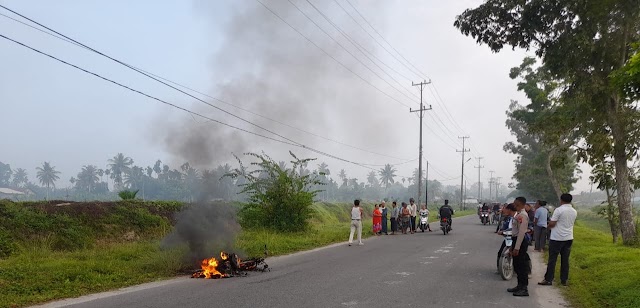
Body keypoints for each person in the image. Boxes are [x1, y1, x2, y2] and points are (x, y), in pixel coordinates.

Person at [539, 193, 577, 287]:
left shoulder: (559, 210)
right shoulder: (574, 211)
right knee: (565, 260)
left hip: (557, 238)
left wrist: (547, 227)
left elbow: (552, 223)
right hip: (569, 237)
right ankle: (564, 280)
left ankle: (548, 279)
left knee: (552, 259)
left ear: (561, 200)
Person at [508, 197, 531, 297]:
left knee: (521, 265)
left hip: (520, 241)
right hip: (515, 240)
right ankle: (519, 285)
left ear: (522, 204)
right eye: (514, 204)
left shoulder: (522, 215)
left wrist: (517, 247)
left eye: (517, 204)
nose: (515, 206)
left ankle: (524, 288)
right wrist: (512, 246)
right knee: (517, 264)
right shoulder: (518, 214)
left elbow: (521, 232)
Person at [496, 203, 516, 270]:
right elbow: (504, 227)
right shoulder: (508, 218)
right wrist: (501, 231)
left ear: (509, 210)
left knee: (522, 255)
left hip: (517, 238)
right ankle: (499, 268)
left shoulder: (518, 217)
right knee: (500, 252)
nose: (504, 210)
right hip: (508, 237)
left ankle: (527, 270)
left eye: (505, 209)